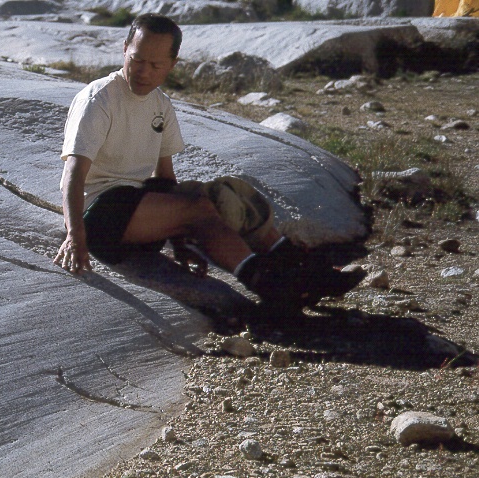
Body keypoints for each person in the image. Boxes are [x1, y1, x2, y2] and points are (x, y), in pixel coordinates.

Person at [53, 13, 363, 310]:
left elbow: (165, 179)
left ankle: (303, 270)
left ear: (172, 64)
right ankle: (271, 287)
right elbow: (73, 175)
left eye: (156, 65)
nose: (144, 71)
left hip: (137, 206)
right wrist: (75, 235)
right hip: (99, 215)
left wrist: (179, 238)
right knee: (197, 208)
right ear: (125, 49)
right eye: (137, 60)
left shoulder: (161, 105)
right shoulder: (99, 99)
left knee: (225, 193)